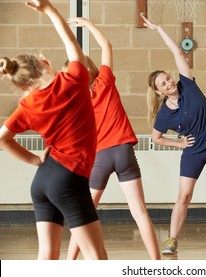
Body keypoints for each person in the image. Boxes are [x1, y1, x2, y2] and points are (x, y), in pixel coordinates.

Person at [0, 0, 107, 260]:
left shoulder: (27, 106)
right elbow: (72, 45)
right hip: (68, 179)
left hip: (44, 180)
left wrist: (35, 160)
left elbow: (2, 138)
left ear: (23, 86)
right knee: (98, 259)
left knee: (47, 257)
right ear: (44, 61)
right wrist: (49, 9)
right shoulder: (74, 80)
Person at [141, 13, 206, 255]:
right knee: (184, 197)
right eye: (163, 84)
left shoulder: (188, 84)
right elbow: (156, 137)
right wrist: (179, 145)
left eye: (168, 78)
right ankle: (171, 240)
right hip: (193, 152)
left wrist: (158, 29)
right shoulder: (164, 115)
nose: (168, 83)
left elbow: (177, 53)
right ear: (159, 92)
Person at [63, 18, 161, 260]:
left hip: (101, 156)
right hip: (124, 152)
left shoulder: (74, 102)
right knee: (139, 212)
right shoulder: (105, 82)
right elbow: (107, 46)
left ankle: (67, 264)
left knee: (83, 214)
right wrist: (88, 23)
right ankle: (158, 264)